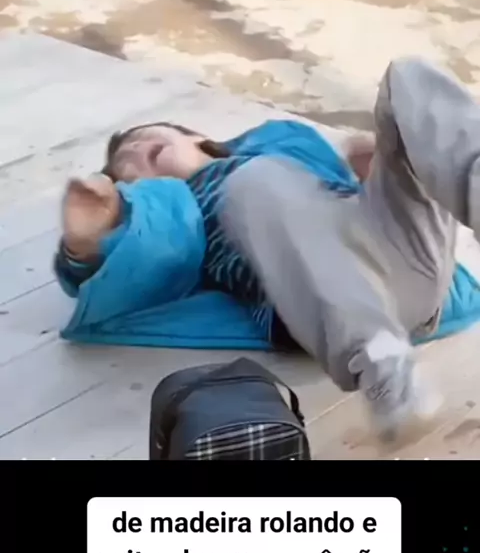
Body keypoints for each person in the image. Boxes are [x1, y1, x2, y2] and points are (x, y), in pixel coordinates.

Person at [55, 57, 480, 441]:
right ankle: (384, 367)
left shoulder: (278, 151)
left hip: (393, 253)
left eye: (145, 138)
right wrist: (88, 241)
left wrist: (378, 174)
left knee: (408, 77)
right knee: (254, 181)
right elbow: (137, 260)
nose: (133, 150)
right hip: (325, 308)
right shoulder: (177, 211)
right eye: (125, 165)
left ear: (198, 138)